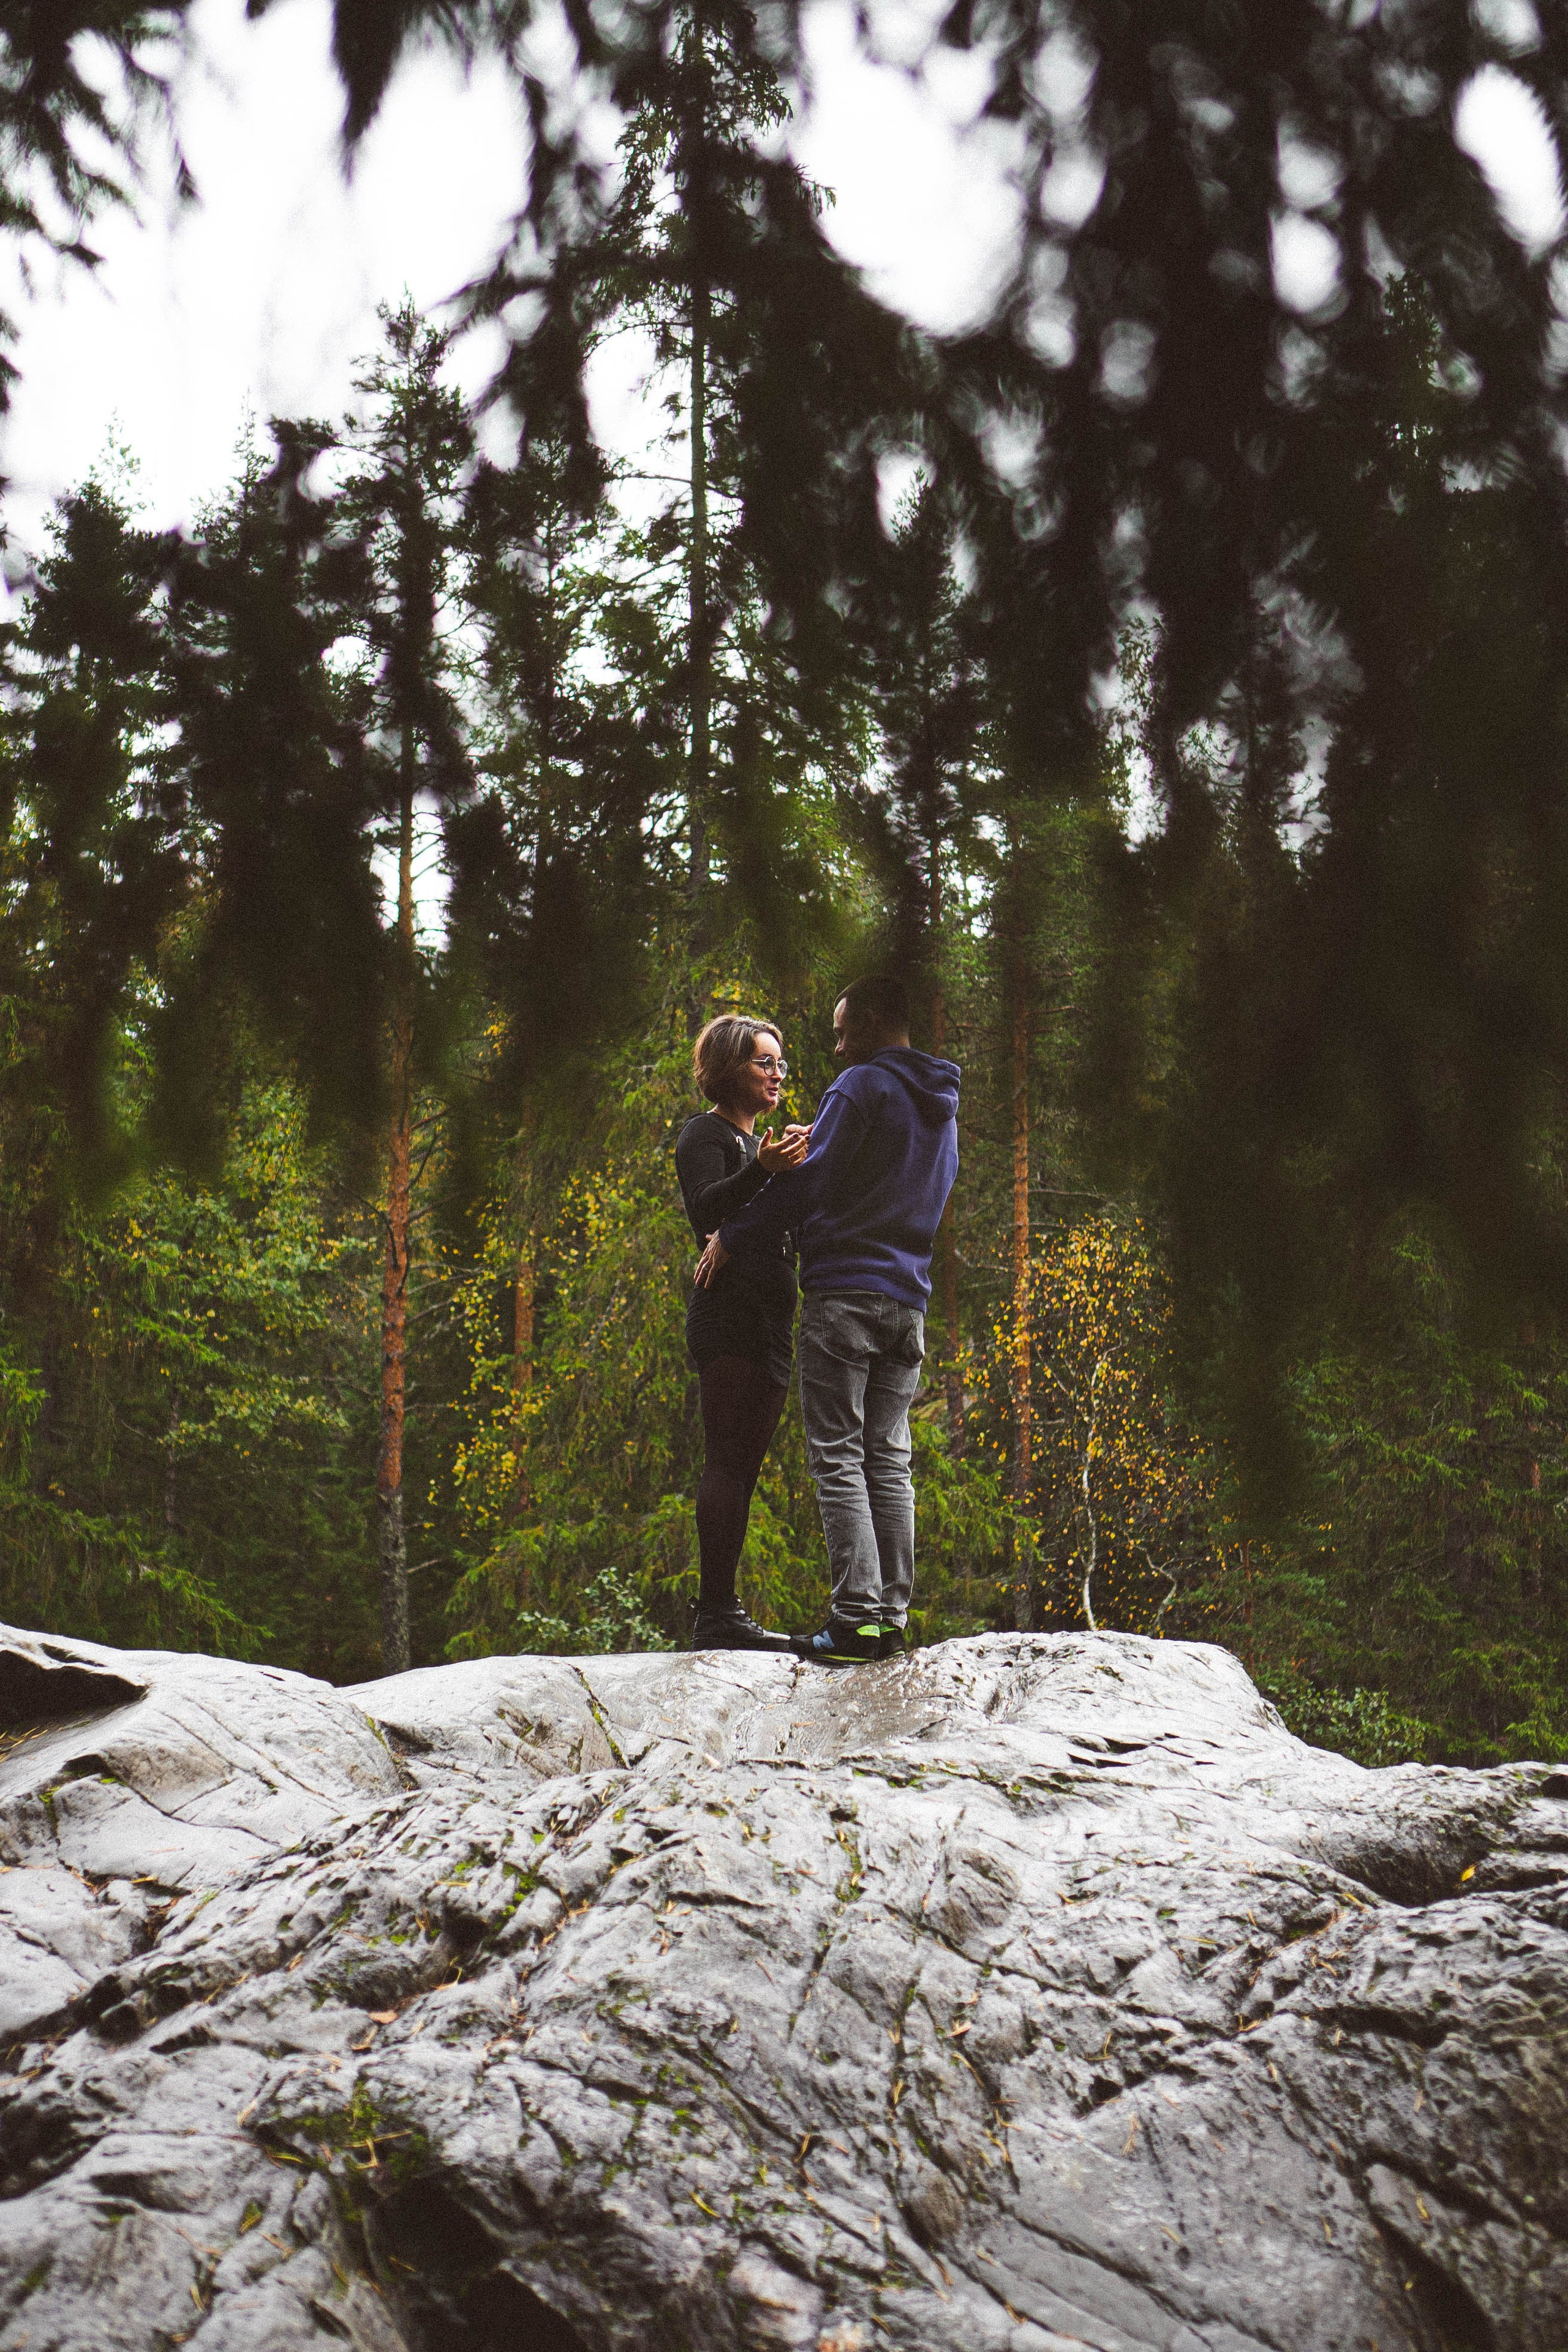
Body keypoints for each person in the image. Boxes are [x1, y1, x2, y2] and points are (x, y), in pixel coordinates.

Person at [695, 974, 960, 1664]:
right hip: (909, 1302)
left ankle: (853, 1620)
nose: (837, 1048)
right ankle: (888, 1621)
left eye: (842, 1033)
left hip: (845, 1297)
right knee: (889, 1460)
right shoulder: (942, 1109)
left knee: (839, 1455)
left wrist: (733, 1236)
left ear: (871, 1022)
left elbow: (810, 1184)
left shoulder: (860, 1086)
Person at [676, 1014, 811, 1651]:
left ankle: (724, 1610)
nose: (777, 1075)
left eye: (781, 1064)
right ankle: (716, 1613)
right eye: (764, 1062)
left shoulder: (766, 1147)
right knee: (726, 1462)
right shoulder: (703, 1134)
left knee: (745, 1469)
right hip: (727, 1318)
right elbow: (706, 1206)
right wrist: (763, 1168)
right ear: (730, 1068)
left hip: (772, 1325)